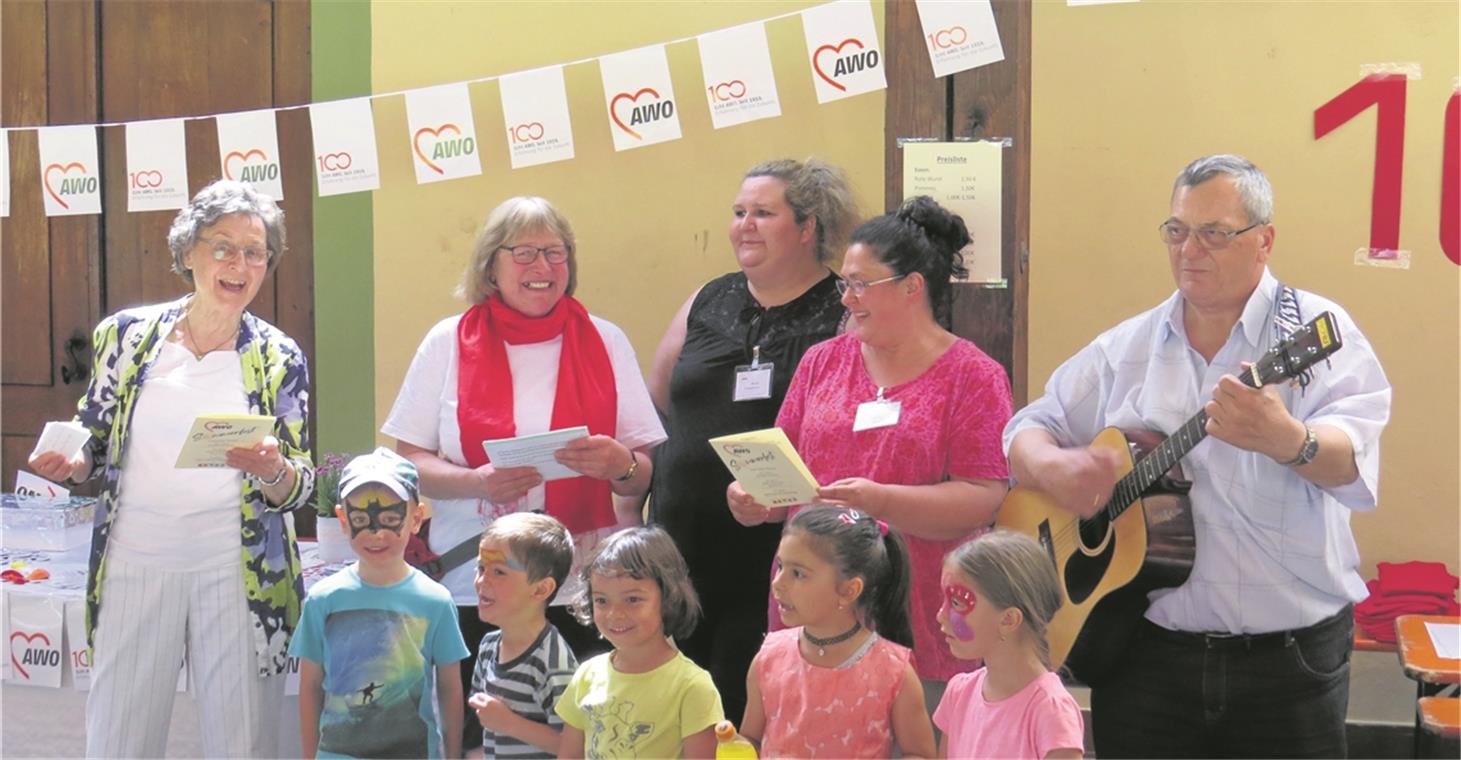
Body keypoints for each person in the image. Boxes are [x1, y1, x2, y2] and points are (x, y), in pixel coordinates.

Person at [1003, 154, 1392, 758]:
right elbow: (1030, 425)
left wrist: (1289, 440)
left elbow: (1352, 458)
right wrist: (1057, 468)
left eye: (1214, 233)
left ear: (1264, 241)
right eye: (1177, 230)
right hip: (1147, 656)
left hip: (1288, 664)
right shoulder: (1127, 347)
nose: (1190, 249)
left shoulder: (1311, 330)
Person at [26, 179, 313, 757]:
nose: (239, 263)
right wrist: (73, 459)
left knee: (241, 743)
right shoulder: (127, 336)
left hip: (238, 573)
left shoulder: (280, 357)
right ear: (188, 253)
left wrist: (272, 466)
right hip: (136, 560)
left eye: (254, 251)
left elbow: (298, 484)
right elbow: (95, 437)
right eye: (223, 246)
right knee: (119, 739)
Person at [382, 196, 665, 747]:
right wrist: (478, 482)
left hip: (583, 587)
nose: (543, 268)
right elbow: (408, 462)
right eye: (526, 253)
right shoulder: (448, 341)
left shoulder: (605, 339)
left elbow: (644, 476)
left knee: (579, 740)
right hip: (477, 583)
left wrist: (620, 464)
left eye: (556, 254)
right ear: (492, 264)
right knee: (476, 738)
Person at [727, 196, 1013, 684]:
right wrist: (752, 498)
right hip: (811, 616)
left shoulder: (973, 376)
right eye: (845, 283)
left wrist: (880, 502)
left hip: (920, 616)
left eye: (861, 285)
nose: (846, 298)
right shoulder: (822, 362)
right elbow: (782, 469)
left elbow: (985, 498)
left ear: (912, 288)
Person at [647, 158, 858, 722]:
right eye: (739, 212)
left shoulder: (845, 312)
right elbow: (654, 402)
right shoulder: (707, 298)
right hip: (680, 548)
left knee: (745, 713)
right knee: (672, 711)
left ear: (809, 226)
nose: (745, 224)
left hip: (773, 558)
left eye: (764, 213)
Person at [291, 447, 469, 759]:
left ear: (415, 519)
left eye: (390, 519)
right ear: (343, 520)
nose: (376, 534)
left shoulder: (436, 601)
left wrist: (452, 755)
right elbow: (309, 687)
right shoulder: (323, 600)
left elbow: (450, 688)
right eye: (361, 519)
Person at [740, 507, 936, 758]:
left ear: (848, 590)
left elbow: (920, 754)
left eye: (798, 573)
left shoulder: (893, 672)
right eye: (780, 566)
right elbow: (751, 739)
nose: (778, 583)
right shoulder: (768, 658)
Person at [555, 527, 724, 759]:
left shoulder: (692, 686)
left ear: (667, 597)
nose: (615, 614)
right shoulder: (586, 675)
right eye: (602, 601)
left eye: (633, 599)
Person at [934, 530, 1084, 760]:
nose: (941, 615)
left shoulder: (1051, 712)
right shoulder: (959, 693)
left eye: (956, 602)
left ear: (1009, 620)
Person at [468, 512, 579, 759]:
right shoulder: (488, 647)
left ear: (541, 589)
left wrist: (509, 723)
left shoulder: (552, 662)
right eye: (481, 567)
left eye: (499, 572)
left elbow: (574, 746)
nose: (481, 581)